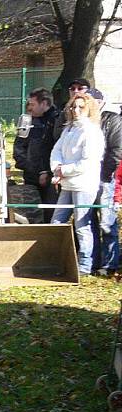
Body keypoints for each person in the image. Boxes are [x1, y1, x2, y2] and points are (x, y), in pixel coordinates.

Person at [50, 91, 105, 276]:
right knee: (57, 221)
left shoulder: (92, 132)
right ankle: (55, 259)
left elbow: (87, 162)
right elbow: (56, 151)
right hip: (67, 184)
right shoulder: (68, 129)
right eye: (73, 106)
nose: (76, 110)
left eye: (81, 107)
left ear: (89, 109)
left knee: (82, 225)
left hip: (84, 184)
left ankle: (84, 265)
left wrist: (63, 170)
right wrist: (56, 168)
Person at [87, 88, 122, 276]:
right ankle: (93, 262)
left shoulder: (113, 120)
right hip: (85, 179)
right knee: (88, 221)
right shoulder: (82, 122)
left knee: (107, 223)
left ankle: (110, 264)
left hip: (104, 178)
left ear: (100, 102)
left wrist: (104, 174)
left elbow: (117, 150)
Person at [12, 87, 59, 222]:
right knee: (32, 214)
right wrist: (28, 166)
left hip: (52, 175)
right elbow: (19, 146)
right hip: (31, 175)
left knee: (51, 211)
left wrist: (47, 171)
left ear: (44, 103)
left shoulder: (57, 121)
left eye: (32, 104)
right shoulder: (27, 121)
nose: (29, 108)